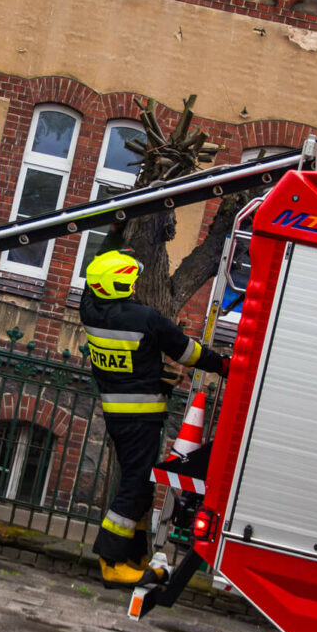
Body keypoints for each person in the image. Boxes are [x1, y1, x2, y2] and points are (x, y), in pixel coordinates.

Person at [80, 249, 226, 590]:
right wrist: (224, 365)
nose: (135, 286)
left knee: (142, 484)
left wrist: (116, 254)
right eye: (130, 281)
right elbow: (189, 353)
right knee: (134, 485)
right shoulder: (145, 318)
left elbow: (94, 287)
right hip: (140, 417)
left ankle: (134, 557)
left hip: (117, 412)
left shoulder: (89, 311)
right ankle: (111, 563)